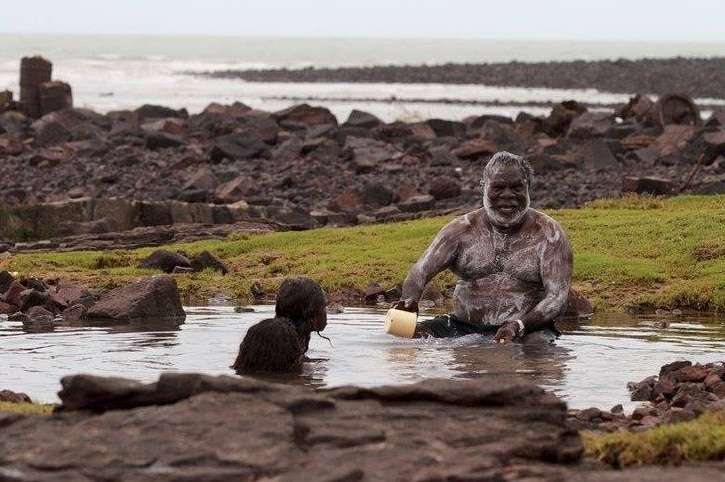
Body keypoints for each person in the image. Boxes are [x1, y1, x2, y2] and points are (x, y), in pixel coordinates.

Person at [394, 151, 573, 344]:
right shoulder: (460, 230)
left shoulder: (549, 234)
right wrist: (409, 301)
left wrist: (519, 325)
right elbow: (418, 274)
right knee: (405, 335)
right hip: (461, 327)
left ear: (528, 187)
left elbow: (557, 299)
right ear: (484, 187)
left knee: (537, 346)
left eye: (516, 187)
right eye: (498, 187)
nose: (507, 195)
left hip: (526, 329)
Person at [232, 276, 328, 373]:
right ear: (309, 312)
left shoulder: (267, 334)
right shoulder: (286, 344)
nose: (326, 312)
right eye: (324, 306)